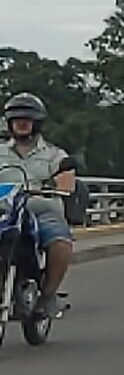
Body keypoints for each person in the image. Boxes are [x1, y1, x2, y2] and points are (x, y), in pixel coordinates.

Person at [0, 93, 75, 317]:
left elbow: (66, 179)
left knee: (60, 244)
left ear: (37, 122)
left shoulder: (54, 154)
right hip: (4, 209)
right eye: (16, 119)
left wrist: (60, 184)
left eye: (27, 119)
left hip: (41, 208)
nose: (21, 123)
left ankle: (48, 295)